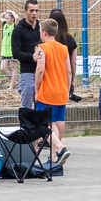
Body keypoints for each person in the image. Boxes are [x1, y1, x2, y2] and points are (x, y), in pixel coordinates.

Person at [33, 19, 72, 165]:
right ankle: (55, 153)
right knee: (55, 121)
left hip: (47, 91)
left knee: (42, 124)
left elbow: (40, 69)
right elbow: (68, 70)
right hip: (61, 90)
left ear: (44, 33)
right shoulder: (63, 48)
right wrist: (67, 89)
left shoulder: (42, 48)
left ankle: (60, 148)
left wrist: (37, 87)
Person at [10, 0, 42, 109]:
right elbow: (16, 53)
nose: (34, 13)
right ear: (25, 11)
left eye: (36, 11)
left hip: (42, 71)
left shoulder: (41, 29)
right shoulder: (19, 30)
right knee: (27, 107)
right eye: (31, 10)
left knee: (42, 106)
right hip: (27, 72)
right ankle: (26, 126)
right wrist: (32, 56)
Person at [49, 9, 80, 103]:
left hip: (50, 79)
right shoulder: (70, 40)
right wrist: (71, 81)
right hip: (64, 79)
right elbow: (73, 64)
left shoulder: (46, 41)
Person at [0, 10, 19, 90]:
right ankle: (14, 81)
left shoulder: (14, 26)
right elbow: (0, 16)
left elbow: (17, 17)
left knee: (13, 67)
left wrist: (11, 11)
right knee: (3, 68)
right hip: (4, 50)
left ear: (12, 19)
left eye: (8, 18)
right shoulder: (5, 24)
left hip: (12, 51)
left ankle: (11, 86)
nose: (6, 20)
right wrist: (5, 13)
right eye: (5, 18)